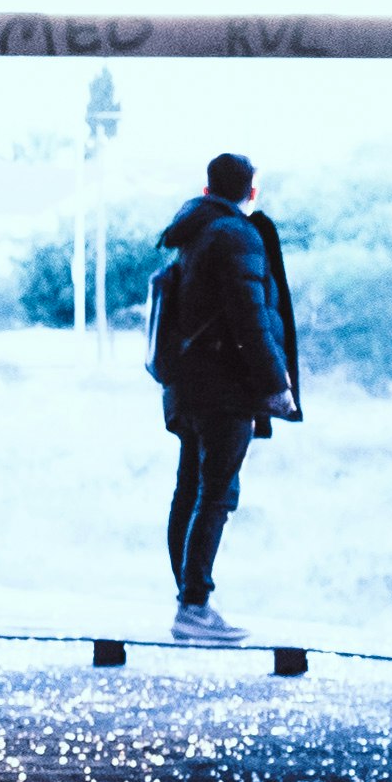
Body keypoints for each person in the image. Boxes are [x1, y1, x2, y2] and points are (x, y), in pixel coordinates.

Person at [146, 152, 300, 633]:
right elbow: (251, 319)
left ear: (208, 188)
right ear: (251, 191)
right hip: (223, 390)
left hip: (186, 386)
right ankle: (194, 607)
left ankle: (188, 601)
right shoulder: (238, 236)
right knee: (216, 495)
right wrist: (276, 386)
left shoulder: (191, 236)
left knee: (189, 490)